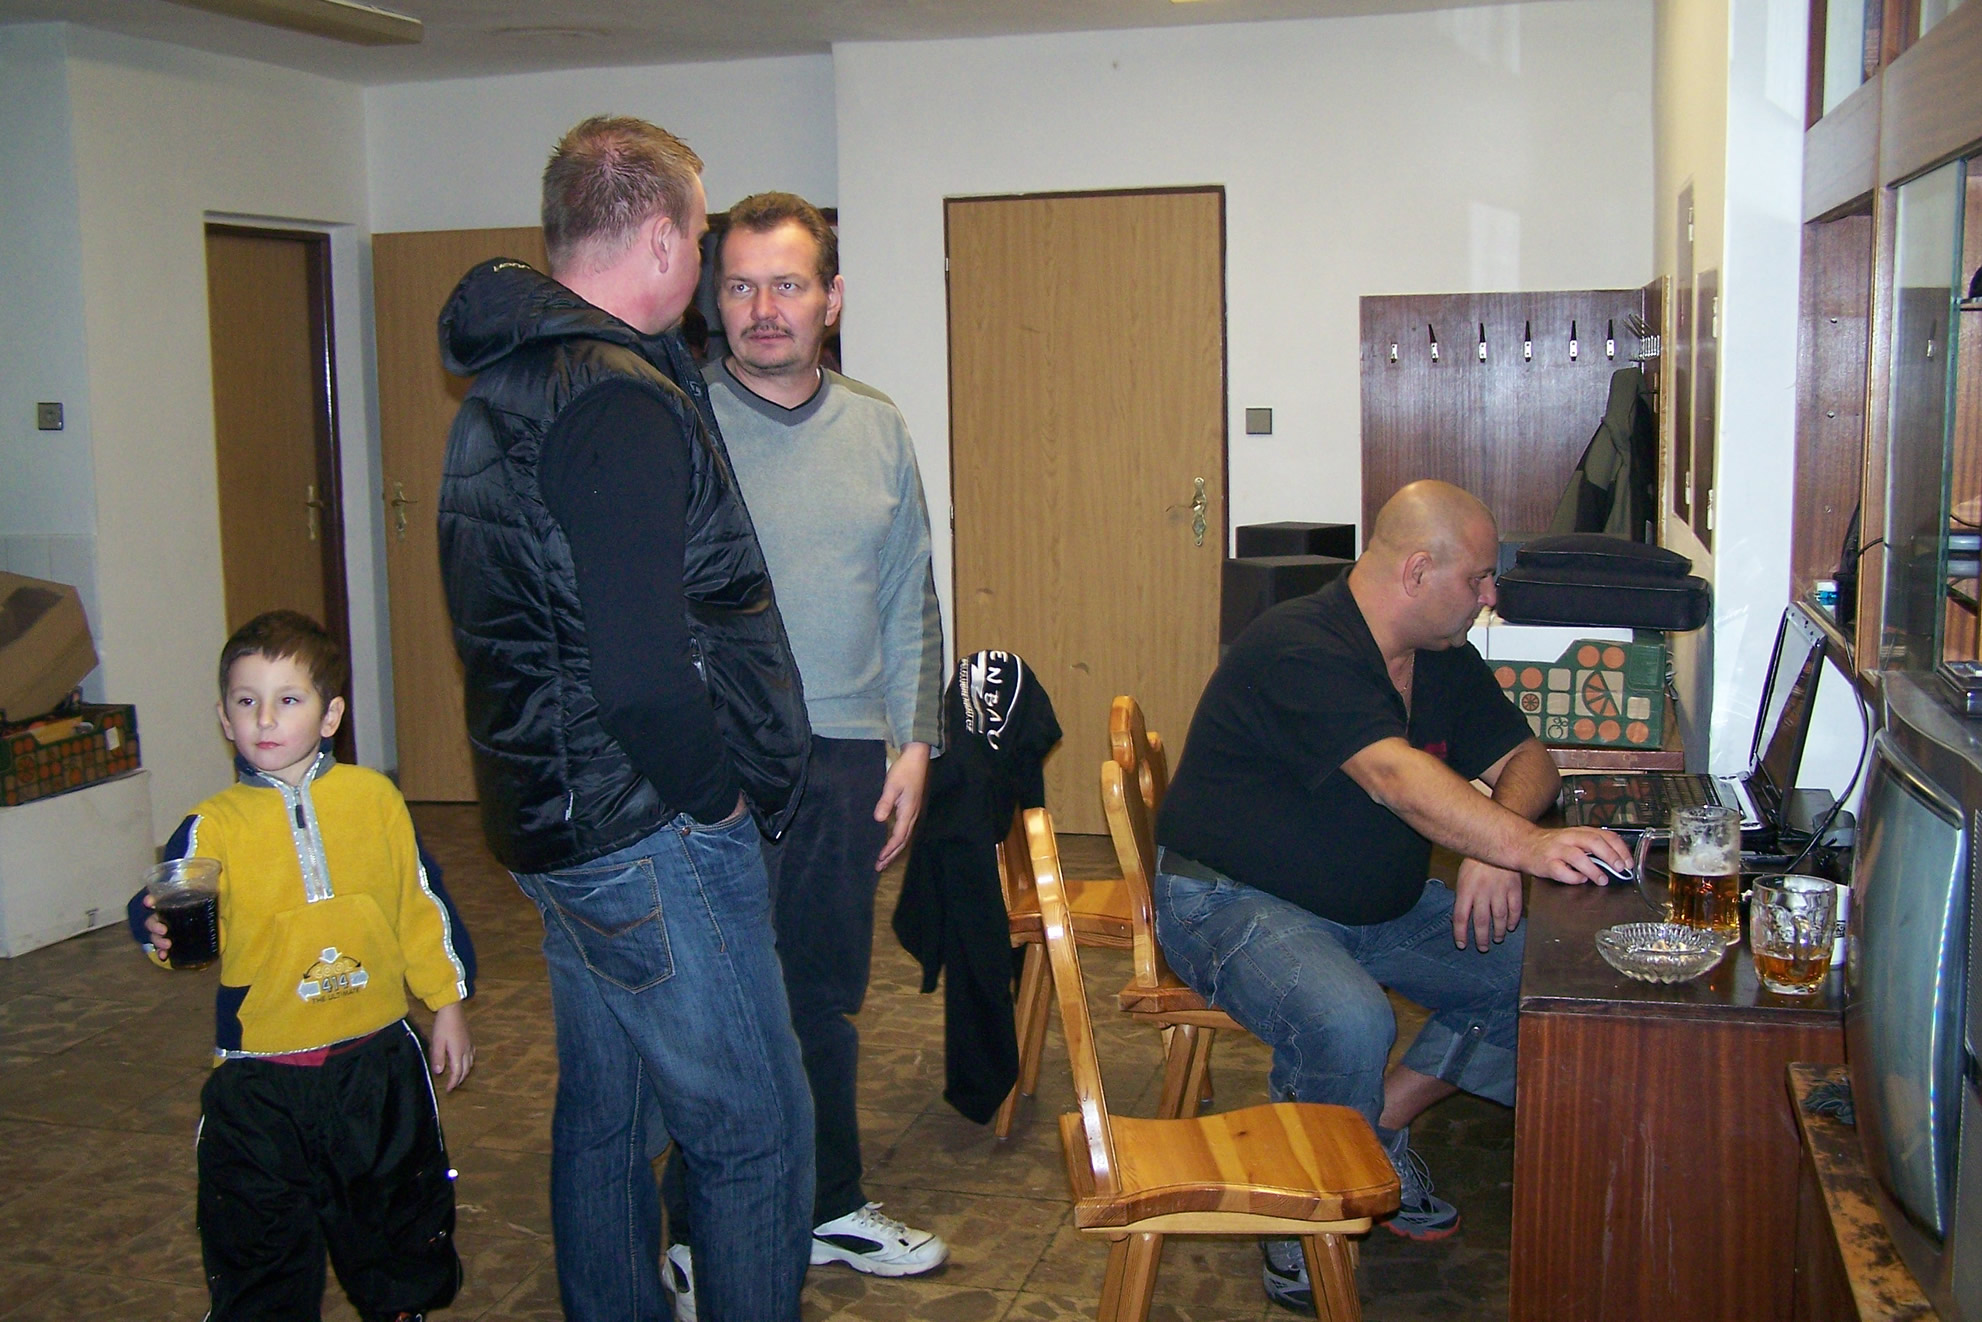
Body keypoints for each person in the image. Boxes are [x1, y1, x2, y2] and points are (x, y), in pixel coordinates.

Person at [434, 116, 815, 1322]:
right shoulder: (615, 400)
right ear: (658, 238)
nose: (699, 265)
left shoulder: (506, 383)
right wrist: (721, 803)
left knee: (607, 1116)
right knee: (753, 1131)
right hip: (646, 830)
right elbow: (642, 675)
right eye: (699, 240)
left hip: (556, 821)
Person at [1151, 480, 1633, 1311]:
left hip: (1370, 904)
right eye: (1478, 579)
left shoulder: (1440, 655)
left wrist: (1498, 841)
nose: (1490, 596)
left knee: (1545, 976)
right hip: (1229, 901)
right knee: (1348, 1019)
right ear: (1417, 572)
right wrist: (1517, 844)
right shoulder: (1299, 646)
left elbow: (1532, 762)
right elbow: (1393, 776)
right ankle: (1301, 1219)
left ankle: (1370, 1133)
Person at [655, 191, 948, 1313]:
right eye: (739, 285)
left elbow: (908, 590)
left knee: (820, 994)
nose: (763, 307)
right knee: (721, 1001)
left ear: (832, 299)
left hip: (846, 753)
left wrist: (914, 743)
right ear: (711, 299)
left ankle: (827, 1201)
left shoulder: (876, 425)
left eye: (787, 283)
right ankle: (697, 1228)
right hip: (718, 759)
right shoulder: (678, 419)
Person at [126, 610, 474, 1322]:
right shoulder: (213, 825)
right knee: (258, 1243)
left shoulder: (375, 800)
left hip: (375, 1061)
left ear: (330, 715)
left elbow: (419, 904)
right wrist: (153, 927)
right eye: (246, 700)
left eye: (288, 699)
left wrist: (447, 1003)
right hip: (261, 1078)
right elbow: (166, 904)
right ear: (224, 719)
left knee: (397, 1220)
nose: (265, 718)